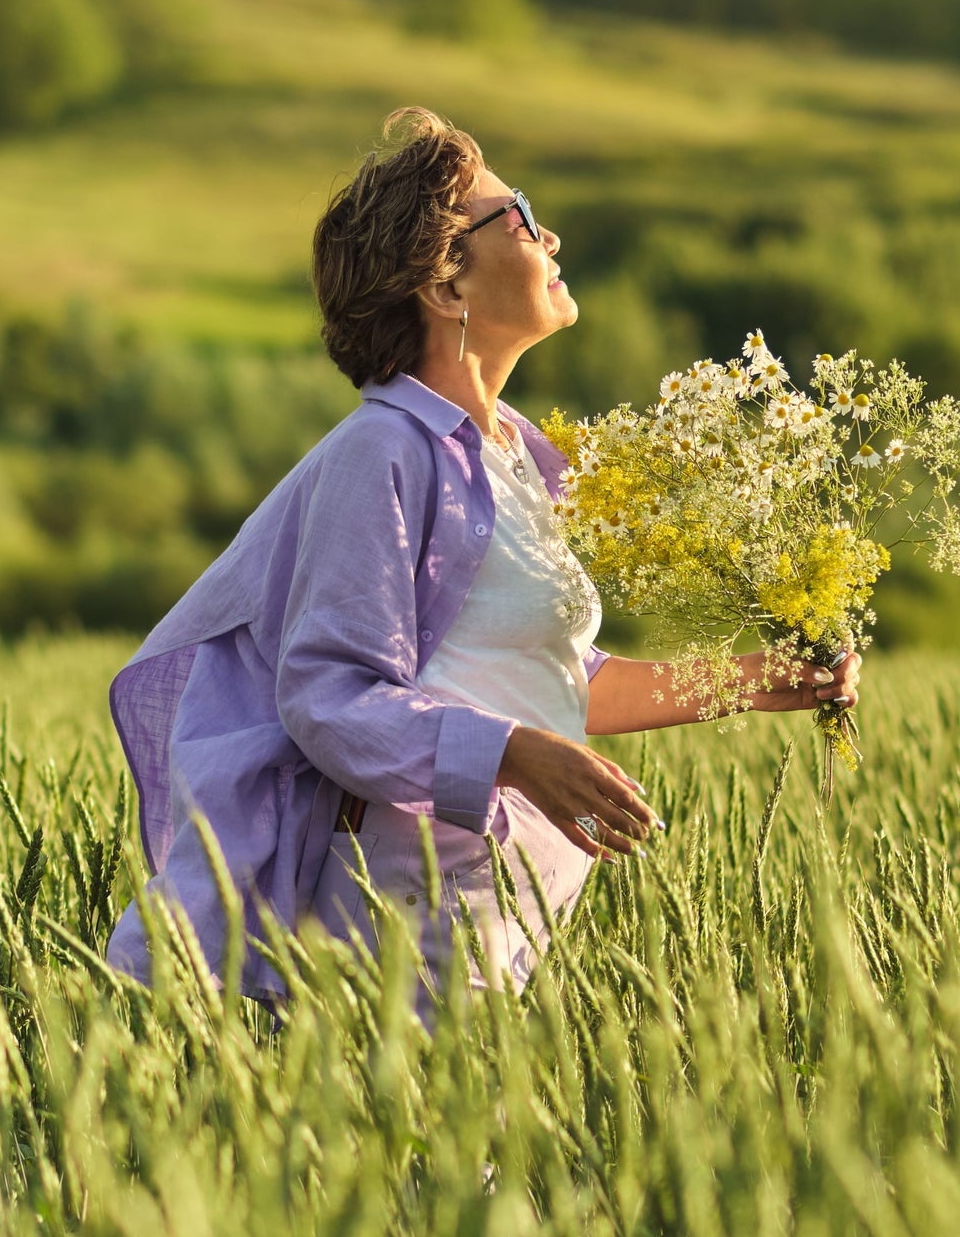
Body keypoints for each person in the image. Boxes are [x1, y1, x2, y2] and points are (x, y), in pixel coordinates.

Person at [104, 107, 860, 1025]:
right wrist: (511, 754)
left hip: (480, 900)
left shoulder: (511, 459)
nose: (550, 235)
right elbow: (329, 695)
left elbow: (551, 684)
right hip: (394, 903)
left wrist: (762, 679)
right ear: (447, 284)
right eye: (520, 213)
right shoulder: (381, 452)